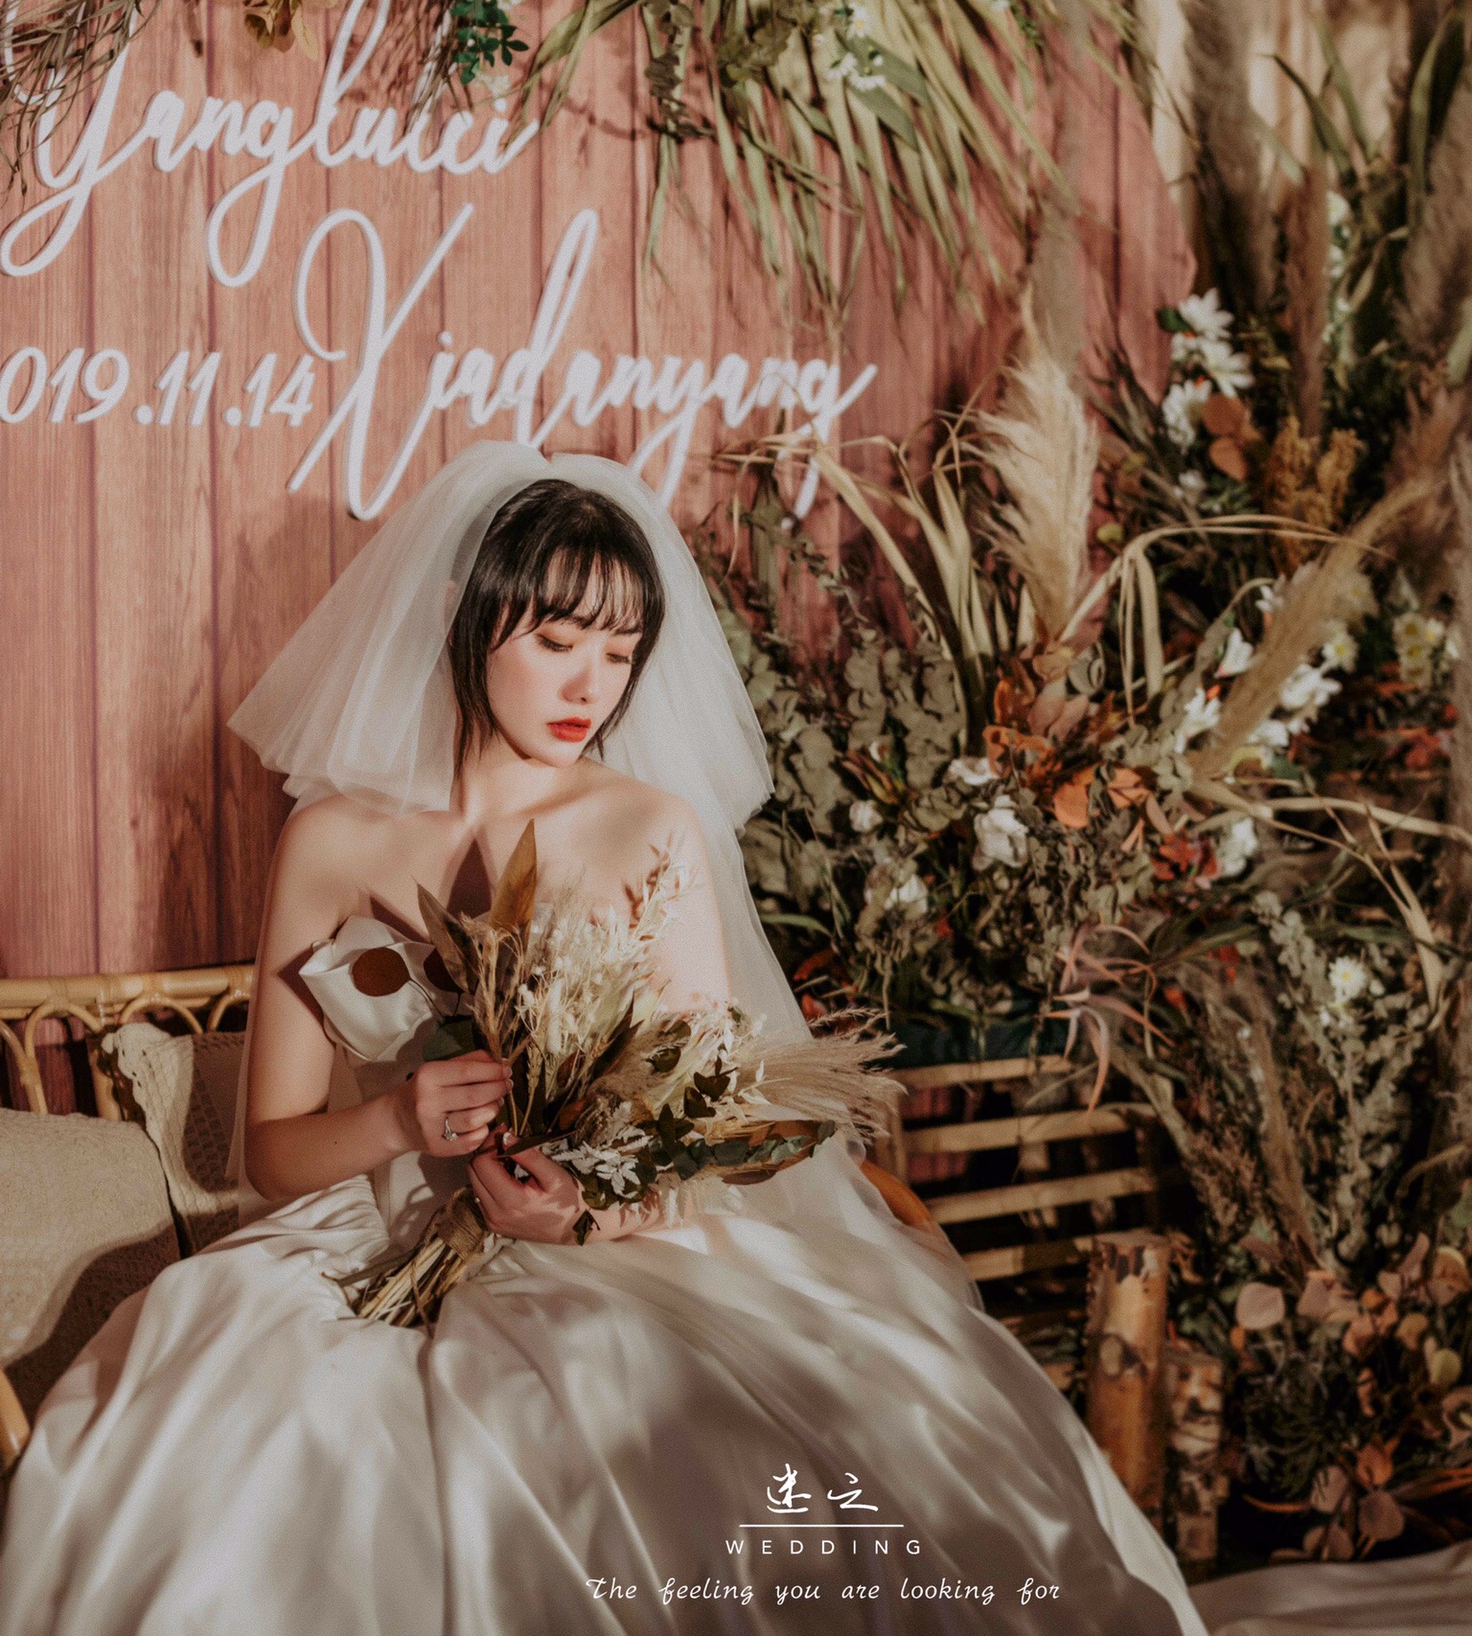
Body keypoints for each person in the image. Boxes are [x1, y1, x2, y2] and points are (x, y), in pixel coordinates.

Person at [0, 445, 1211, 1636]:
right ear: (464, 617)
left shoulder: (647, 829)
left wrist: (585, 1215)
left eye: (621, 652)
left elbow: (706, 1130)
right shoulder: (333, 839)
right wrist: (400, 1119)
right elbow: (269, 1156)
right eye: (557, 641)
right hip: (375, 1242)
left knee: (691, 1424)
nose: (591, 685)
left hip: (606, 1241)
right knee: (242, 1446)